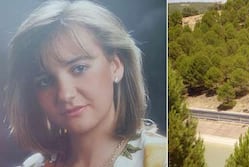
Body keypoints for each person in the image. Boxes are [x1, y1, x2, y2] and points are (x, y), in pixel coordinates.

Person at [4, 0, 166, 166]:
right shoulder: (33, 165)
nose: (65, 94)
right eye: (45, 81)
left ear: (115, 66)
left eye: (79, 68)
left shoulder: (160, 158)